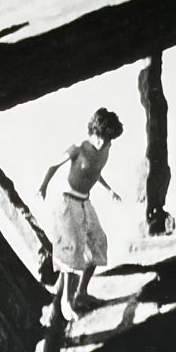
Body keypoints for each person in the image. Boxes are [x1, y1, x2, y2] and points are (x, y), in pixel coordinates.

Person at [37, 109, 124, 317]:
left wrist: (109, 189)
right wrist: (43, 187)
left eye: (108, 138)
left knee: (98, 243)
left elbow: (95, 171)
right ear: (93, 132)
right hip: (68, 201)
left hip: (85, 202)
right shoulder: (79, 147)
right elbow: (53, 165)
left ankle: (81, 293)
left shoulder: (106, 148)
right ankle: (66, 303)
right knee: (72, 249)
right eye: (101, 137)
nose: (103, 142)